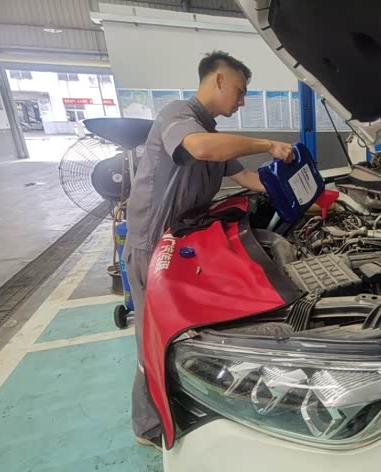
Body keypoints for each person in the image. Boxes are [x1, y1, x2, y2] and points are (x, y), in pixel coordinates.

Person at [123, 50, 294, 449]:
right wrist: (266, 143)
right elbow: (200, 148)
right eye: (240, 90)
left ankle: (194, 397)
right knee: (154, 338)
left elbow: (248, 178)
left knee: (183, 332)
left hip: (183, 243)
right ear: (218, 79)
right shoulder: (178, 115)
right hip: (153, 246)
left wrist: (296, 190)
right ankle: (148, 425)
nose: (242, 100)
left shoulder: (212, 132)